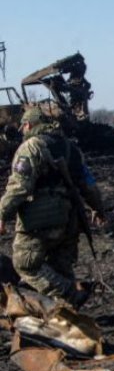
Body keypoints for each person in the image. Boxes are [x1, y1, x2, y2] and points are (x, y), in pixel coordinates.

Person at [0, 106, 106, 308]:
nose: (22, 130)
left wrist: (2, 214)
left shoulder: (31, 147)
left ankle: (70, 294)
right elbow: (88, 185)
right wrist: (98, 209)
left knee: (25, 264)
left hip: (39, 220)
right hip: (69, 220)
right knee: (60, 268)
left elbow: (19, 187)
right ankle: (66, 316)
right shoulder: (71, 149)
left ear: (29, 124)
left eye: (24, 125)